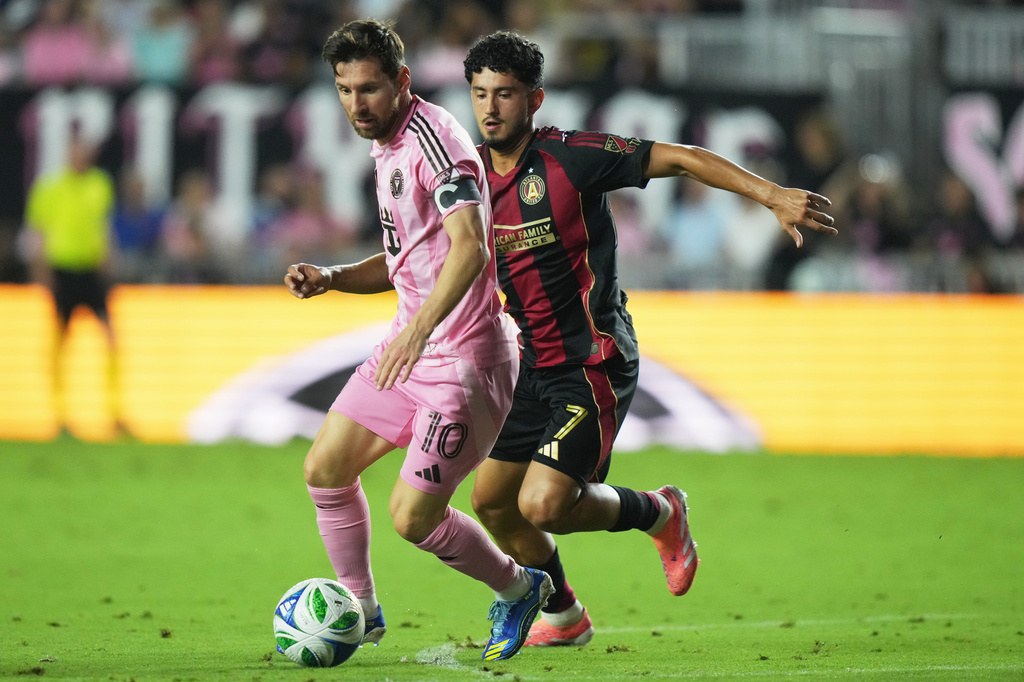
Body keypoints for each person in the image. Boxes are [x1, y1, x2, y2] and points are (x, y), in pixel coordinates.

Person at [463, 31, 838, 647]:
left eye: (505, 94)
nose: (491, 108)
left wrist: (772, 195)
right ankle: (563, 616)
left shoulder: (573, 157)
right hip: (530, 366)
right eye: (480, 94)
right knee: (494, 504)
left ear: (535, 100)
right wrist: (336, 278)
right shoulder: (470, 176)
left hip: (593, 361)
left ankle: (661, 511)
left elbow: (683, 157)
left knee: (544, 505)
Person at [282, 19, 552, 662]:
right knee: (324, 468)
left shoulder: (437, 144)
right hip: (413, 345)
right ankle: (360, 610)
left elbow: (470, 248)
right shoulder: (389, 148)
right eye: (344, 90)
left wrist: (422, 330)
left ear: (402, 81)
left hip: (466, 364)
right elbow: (408, 258)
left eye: (369, 88)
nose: (356, 104)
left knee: (413, 518)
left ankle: (519, 589)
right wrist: (334, 277)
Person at [22, 136, 123, 437]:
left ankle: (114, 412)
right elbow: (38, 232)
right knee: (59, 345)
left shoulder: (100, 185)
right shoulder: (49, 188)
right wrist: (41, 270)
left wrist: (109, 257)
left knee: (112, 339)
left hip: (91, 270)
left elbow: (103, 226)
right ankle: (59, 415)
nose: (80, 158)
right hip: (62, 269)